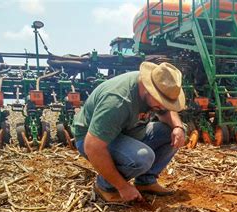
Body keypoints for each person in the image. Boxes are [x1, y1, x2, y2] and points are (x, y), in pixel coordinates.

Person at [72, 62, 186, 203]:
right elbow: (92, 146)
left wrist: (178, 127)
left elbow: (166, 110)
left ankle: (145, 182)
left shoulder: (153, 92)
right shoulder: (117, 101)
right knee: (143, 158)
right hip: (91, 138)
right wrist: (123, 186)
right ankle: (105, 187)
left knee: (173, 131)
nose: (163, 106)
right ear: (147, 87)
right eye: (161, 100)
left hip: (127, 130)